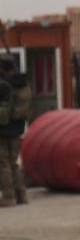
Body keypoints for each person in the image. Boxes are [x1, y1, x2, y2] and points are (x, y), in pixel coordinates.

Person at [0, 56, 31, 208]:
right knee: (14, 163)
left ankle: (8, 196)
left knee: (3, 163)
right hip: (18, 127)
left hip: (3, 128)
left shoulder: (4, 84)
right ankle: (22, 195)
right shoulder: (22, 82)